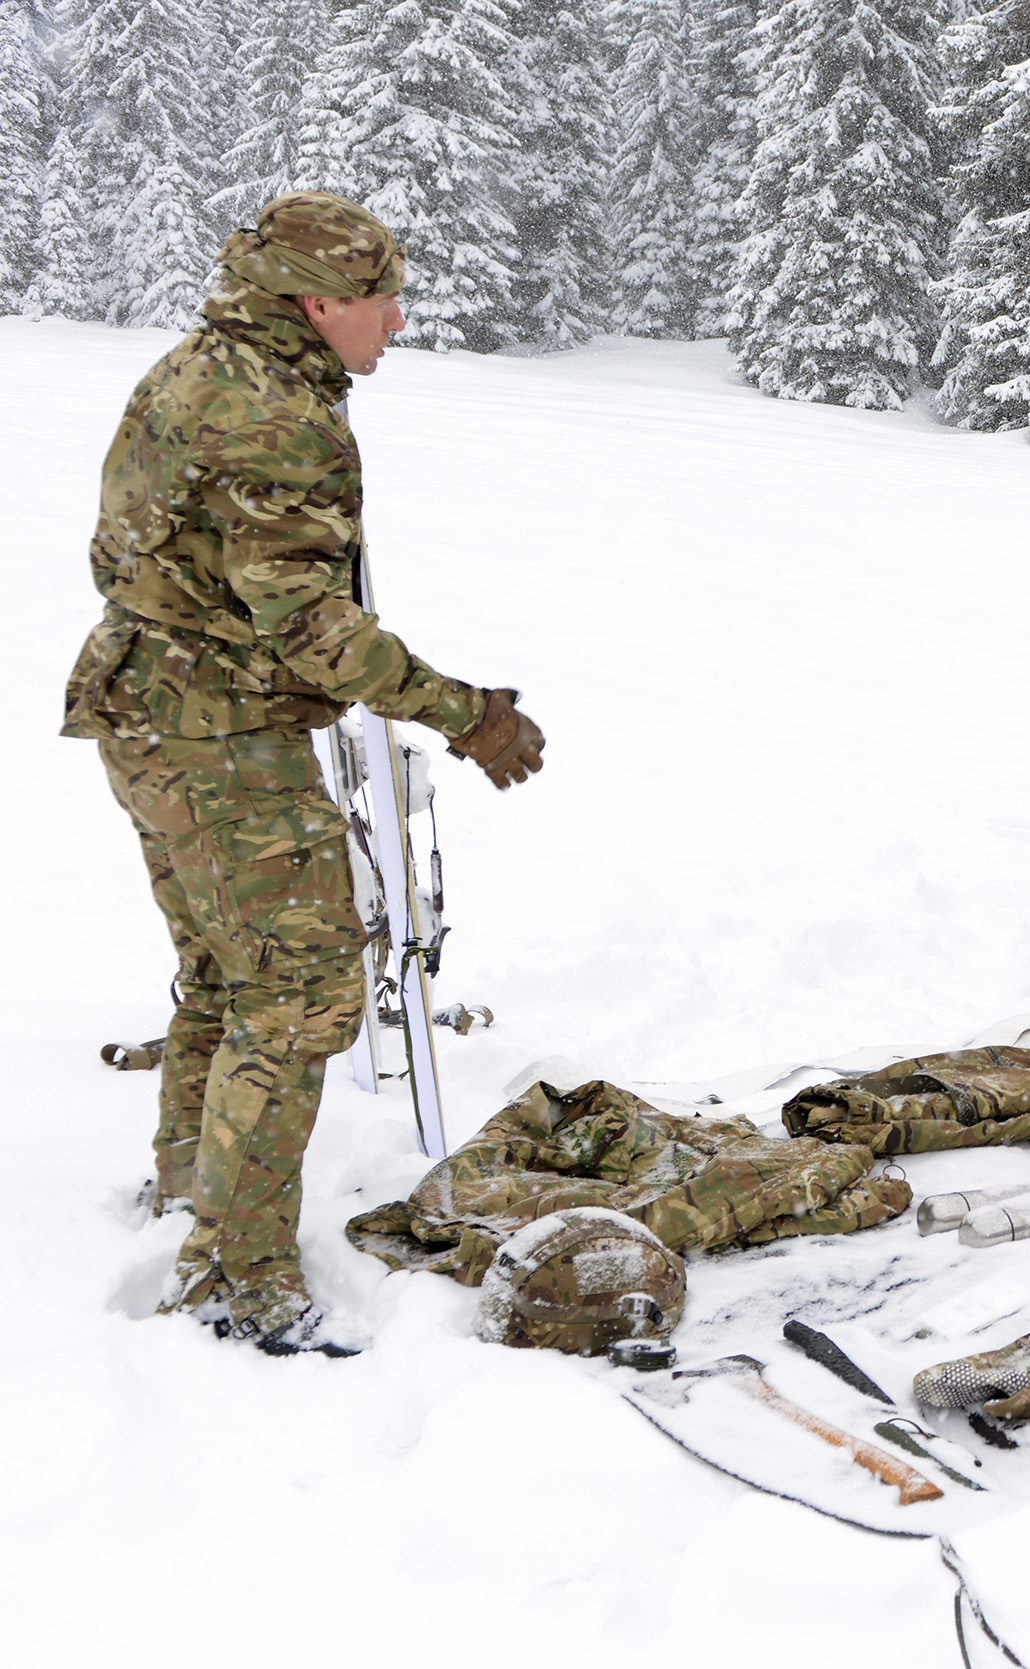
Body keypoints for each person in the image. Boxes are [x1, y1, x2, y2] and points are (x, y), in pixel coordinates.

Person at [61, 191, 546, 1358]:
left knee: (227, 974)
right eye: (382, 299)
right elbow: (313, 627)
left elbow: (134, 552)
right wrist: (466, 716)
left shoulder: (203, 366)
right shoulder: (275, 415)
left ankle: (191, 1186)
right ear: (320, 303)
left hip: (146, 708)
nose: (396, 320)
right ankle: (237, 1278)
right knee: (303, 993)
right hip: (218, 733)